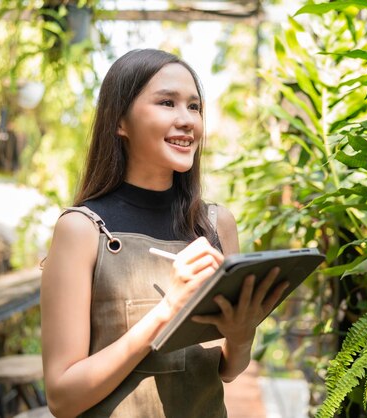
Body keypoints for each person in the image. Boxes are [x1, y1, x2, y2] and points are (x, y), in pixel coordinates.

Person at [40, 49, 288, 417]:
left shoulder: (217, 224)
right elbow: (62, 398)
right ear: (119, 121)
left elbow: (228, 371)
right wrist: (167, 311)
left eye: (194, 106)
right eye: (167, 102)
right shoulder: (81, 229)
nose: (187, 120)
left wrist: (241, 334)